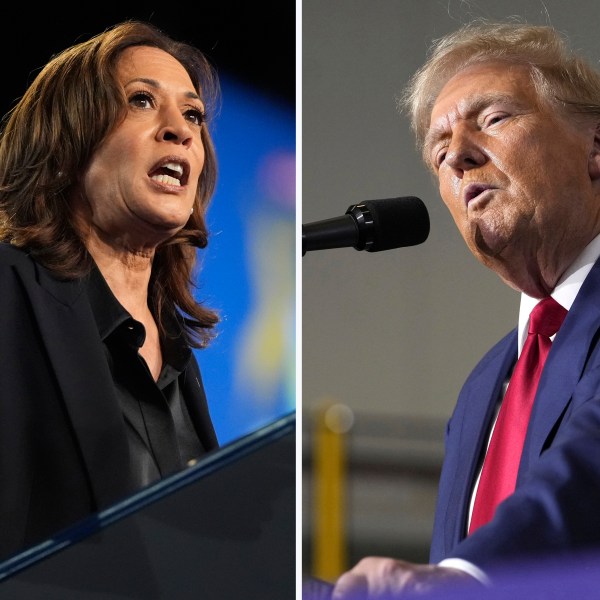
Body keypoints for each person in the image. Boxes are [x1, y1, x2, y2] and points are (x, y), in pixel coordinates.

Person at [330, 20, 600, 599]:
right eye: (438, 149)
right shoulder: (483, 387)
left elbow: (589, 470)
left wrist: (466, 579)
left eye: (494, 119)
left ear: (595, 148)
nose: (457, 156)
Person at [0, 20, 222, 562]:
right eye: (142, 101)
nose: (181, 130)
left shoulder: (177, 354)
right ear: (64, 145)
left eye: (192, 113)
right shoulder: (9, 293)